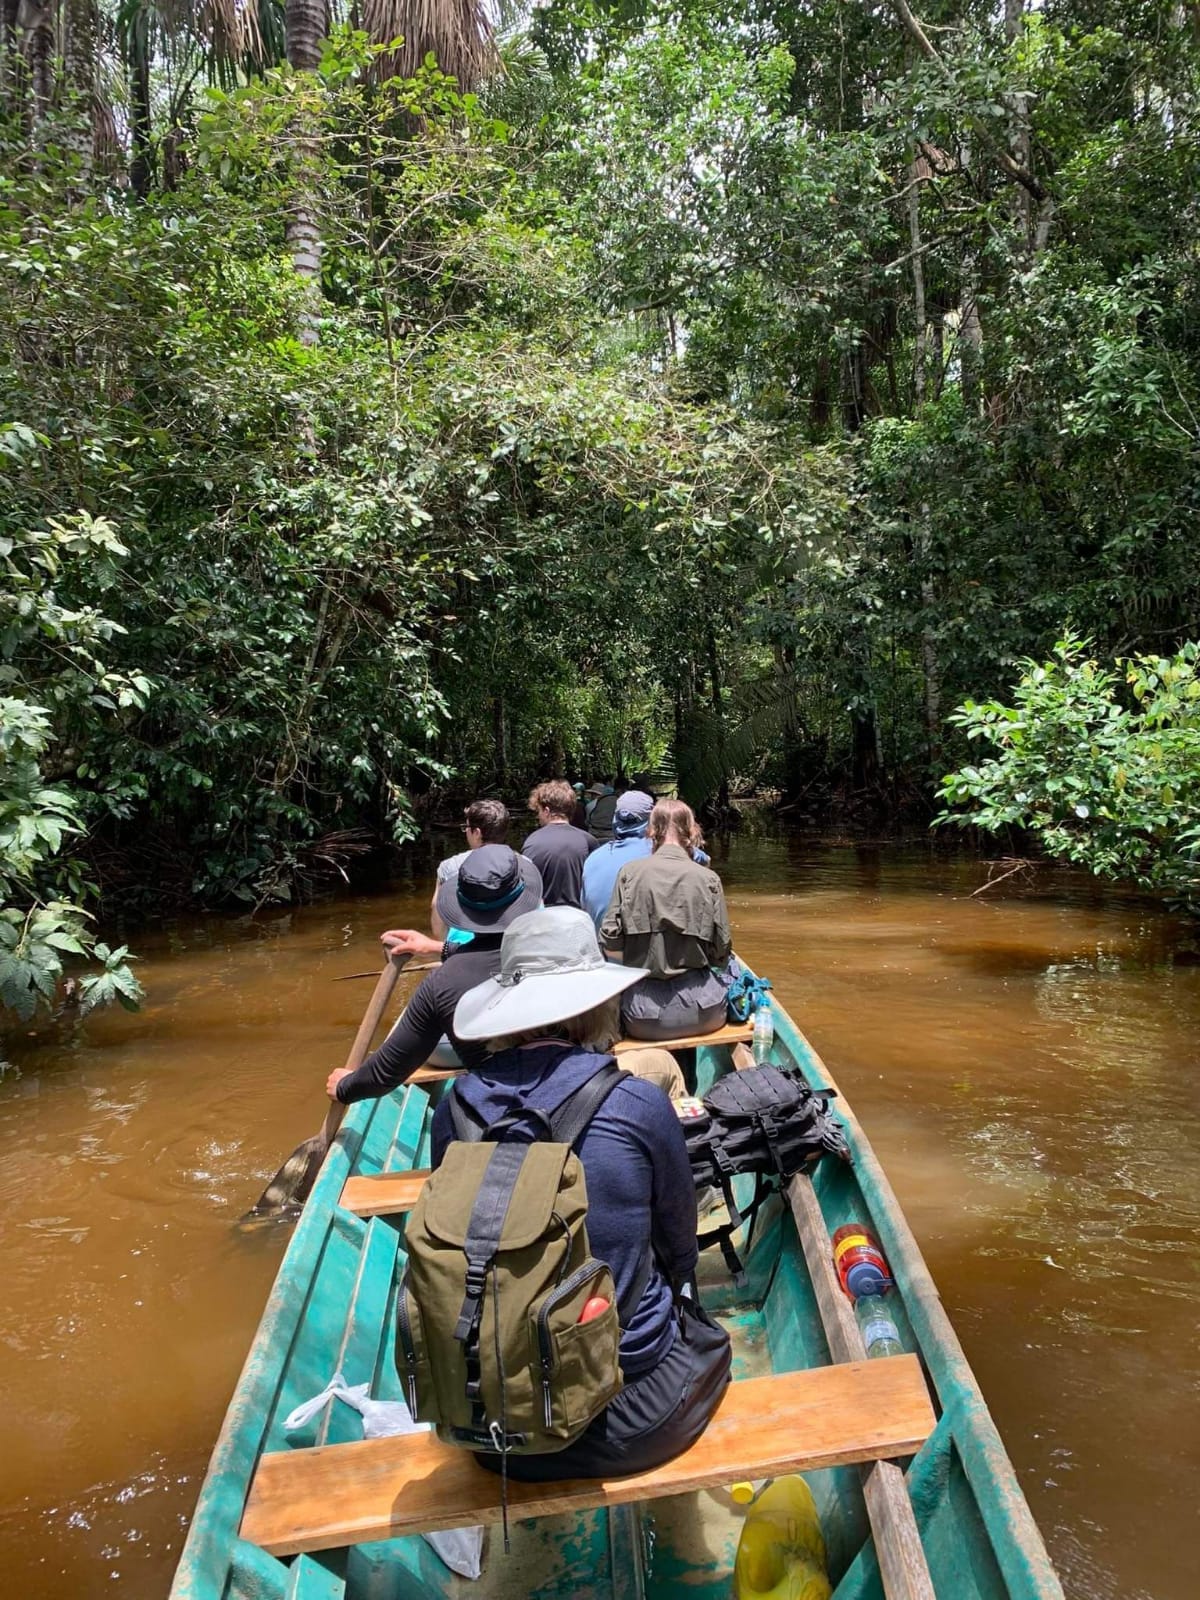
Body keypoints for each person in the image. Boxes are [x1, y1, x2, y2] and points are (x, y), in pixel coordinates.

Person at [443, 906, 731, 1481]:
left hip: (495, 1428)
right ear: (596, 1003)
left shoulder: (456, 1106)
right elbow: (679, 1247)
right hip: (631, 1418)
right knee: (715, 1349)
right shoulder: (638, 1102)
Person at [326, 846, 542, 1103]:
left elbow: (386, 1072)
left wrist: (345, 1087)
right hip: (570, 1092)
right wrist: (437, 948)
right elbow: (497, 953)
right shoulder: (557, 948)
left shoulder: (442, 984)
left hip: (501, 1105)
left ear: (462, 907)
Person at [600, 798, 732, 1041]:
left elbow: (610, 939)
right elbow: (721, 951)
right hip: (705, 1013)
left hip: (643, 1017)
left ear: (651, 831)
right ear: (691, 831)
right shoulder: (709, 879)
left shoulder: (629, 873)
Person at [522, 779, 601, 908]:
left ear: (546, 811)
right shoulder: (589, 841)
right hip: (580, 914)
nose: (538, 816)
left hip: (544, 914)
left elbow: (528, 888)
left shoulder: (532, 842)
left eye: (539, 811)